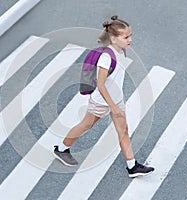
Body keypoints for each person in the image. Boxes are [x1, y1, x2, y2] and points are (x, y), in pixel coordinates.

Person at [54, 15, 154, 178]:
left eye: (130, 35)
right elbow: (100, 85)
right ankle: (61, 148)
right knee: (86, 125)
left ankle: (132, 166)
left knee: (124, 130)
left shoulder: (121, 51)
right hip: (102, 102)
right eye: (126, 37)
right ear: (114, 39)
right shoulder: (106, 58)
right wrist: (113, 107)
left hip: (116, 99)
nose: (130, 39)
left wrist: (117, 103)